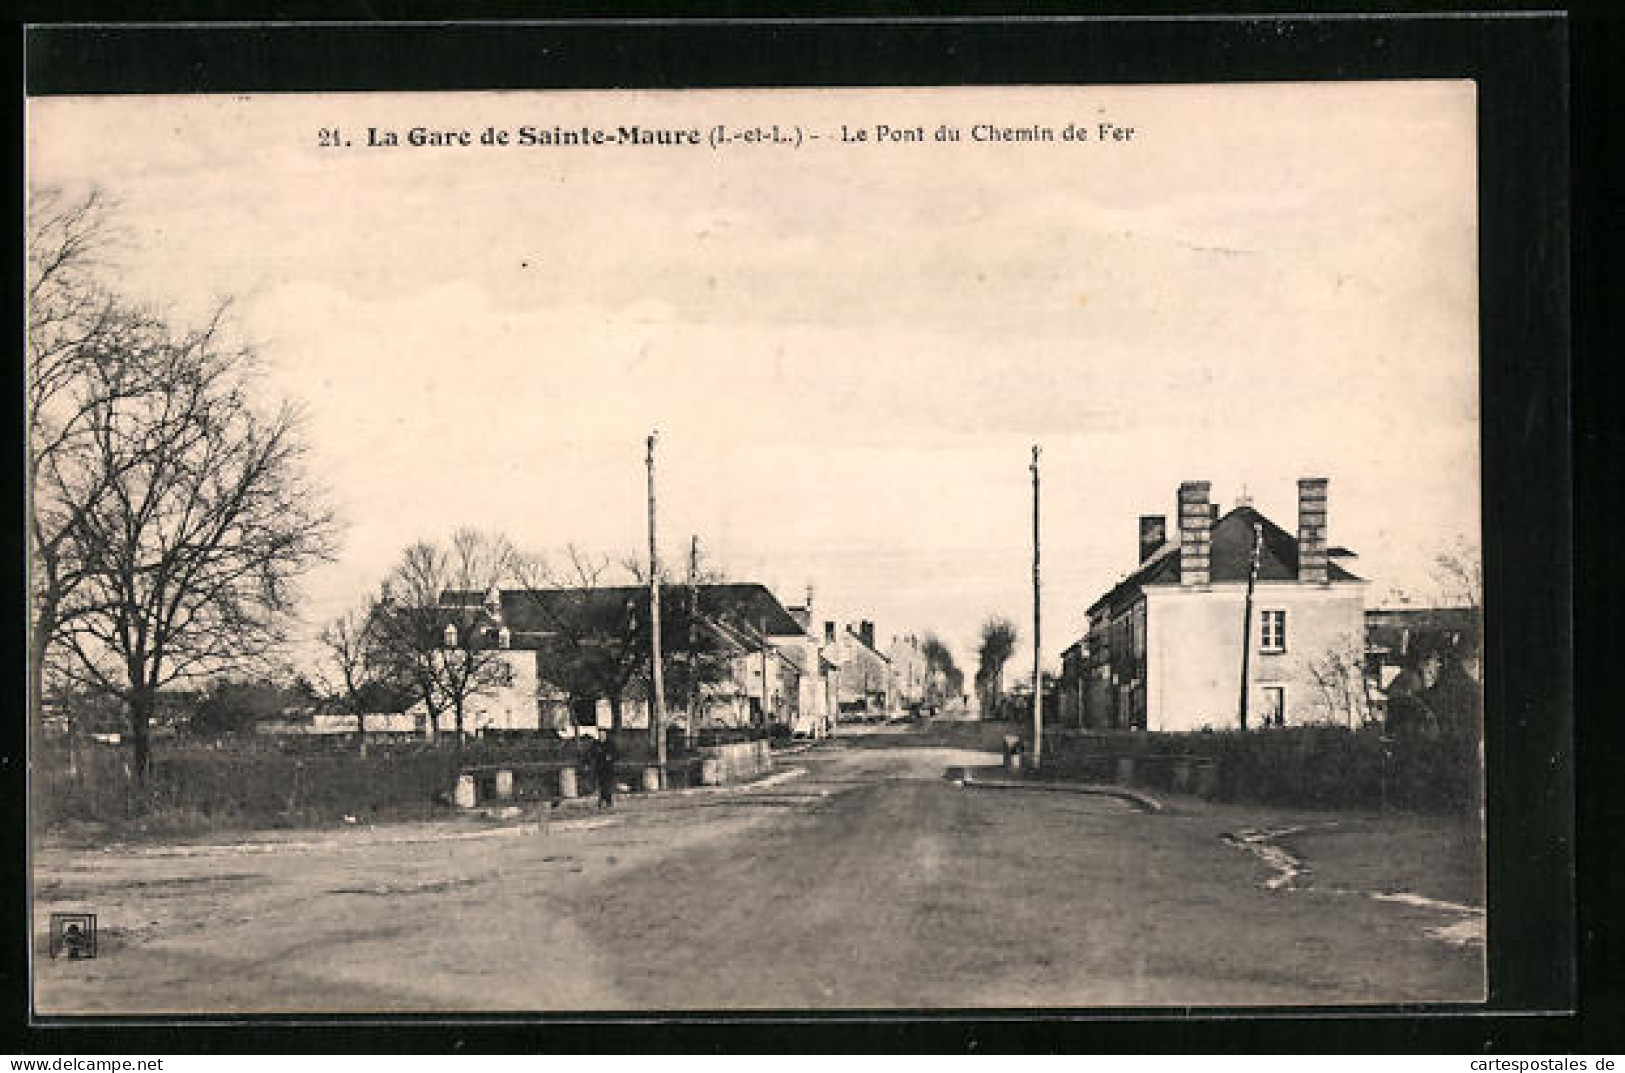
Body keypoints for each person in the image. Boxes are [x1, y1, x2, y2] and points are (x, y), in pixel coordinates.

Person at [592, 733, 618, 810]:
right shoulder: (596, 744)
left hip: (608, 768)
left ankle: (607, 801)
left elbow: (616, 754)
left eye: (603, 735)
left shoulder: (610, 744)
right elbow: (591, 754)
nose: (601, 737)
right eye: (600, 736)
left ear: (605, 736)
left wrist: (611, 757)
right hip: (599, 768)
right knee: (601, 784)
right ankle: (603, 801)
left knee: (607, 785)